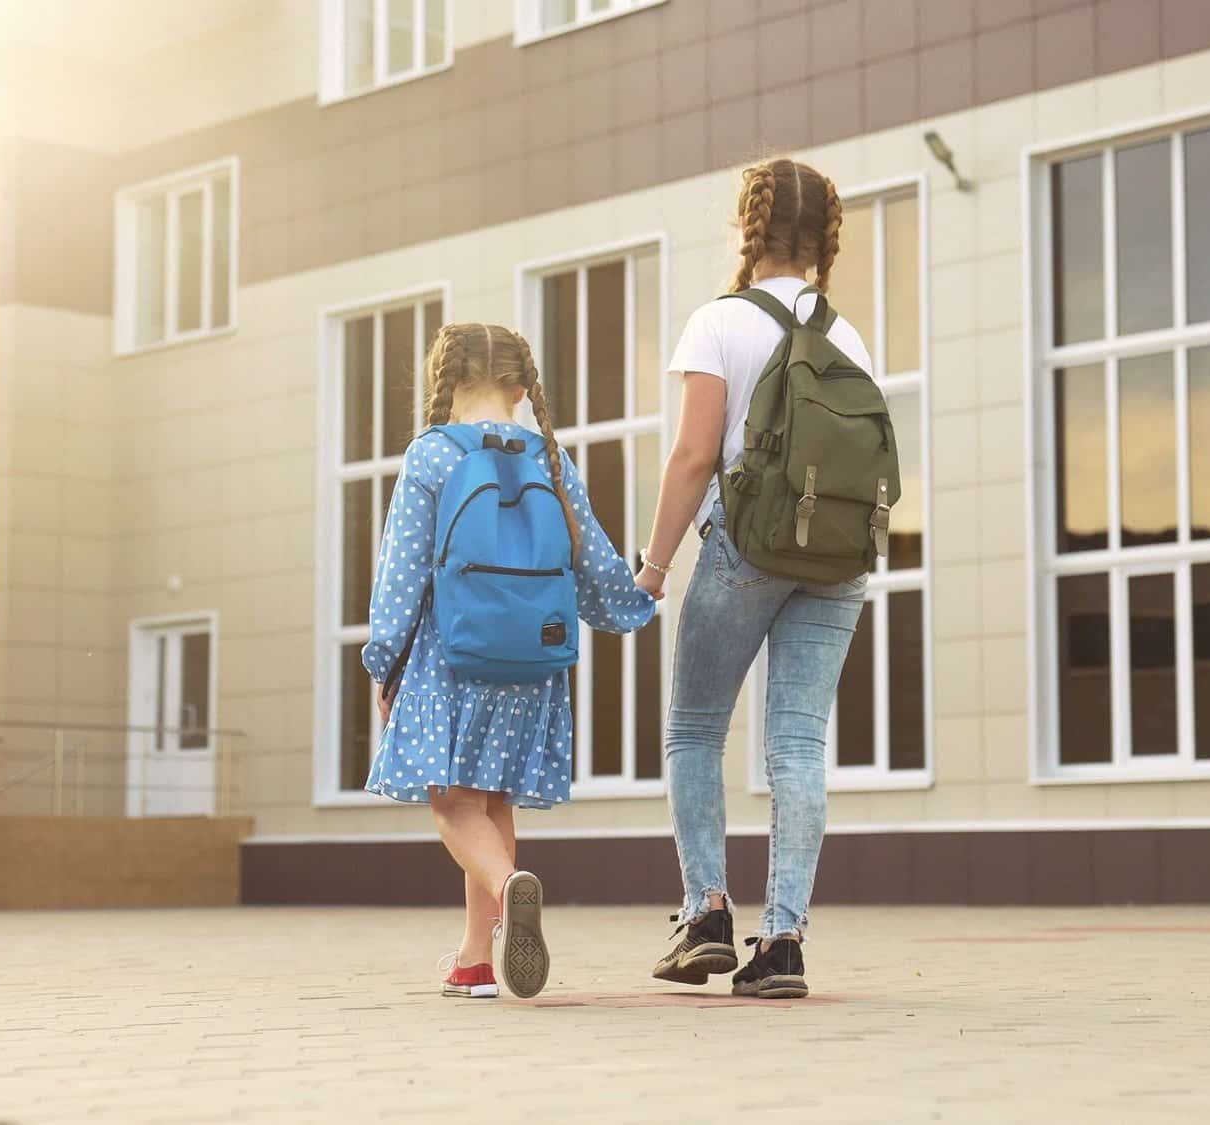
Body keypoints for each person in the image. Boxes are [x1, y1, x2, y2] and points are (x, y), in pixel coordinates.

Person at [635, 157, 873, 999]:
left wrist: (655, 564)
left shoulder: (719, 321)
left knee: (695, 729)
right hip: (838, 558)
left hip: (749, 546)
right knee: (798, 743)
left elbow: (697, 454)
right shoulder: (848, 336)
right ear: (823, 238)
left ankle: (705, 914)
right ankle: (784, 941)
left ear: (749, 226)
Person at [362, 323, 656, 1000]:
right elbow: (592, 562)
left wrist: (387, 660)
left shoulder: (432, 455)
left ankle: (508, 886)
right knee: (491, 801)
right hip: (534, 661)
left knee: (452, 806)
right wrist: (639, 594)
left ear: (445, 380)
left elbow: (400, 573)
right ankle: (474, 958)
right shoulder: (551, 457)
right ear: (522, 387)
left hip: (452, 657)